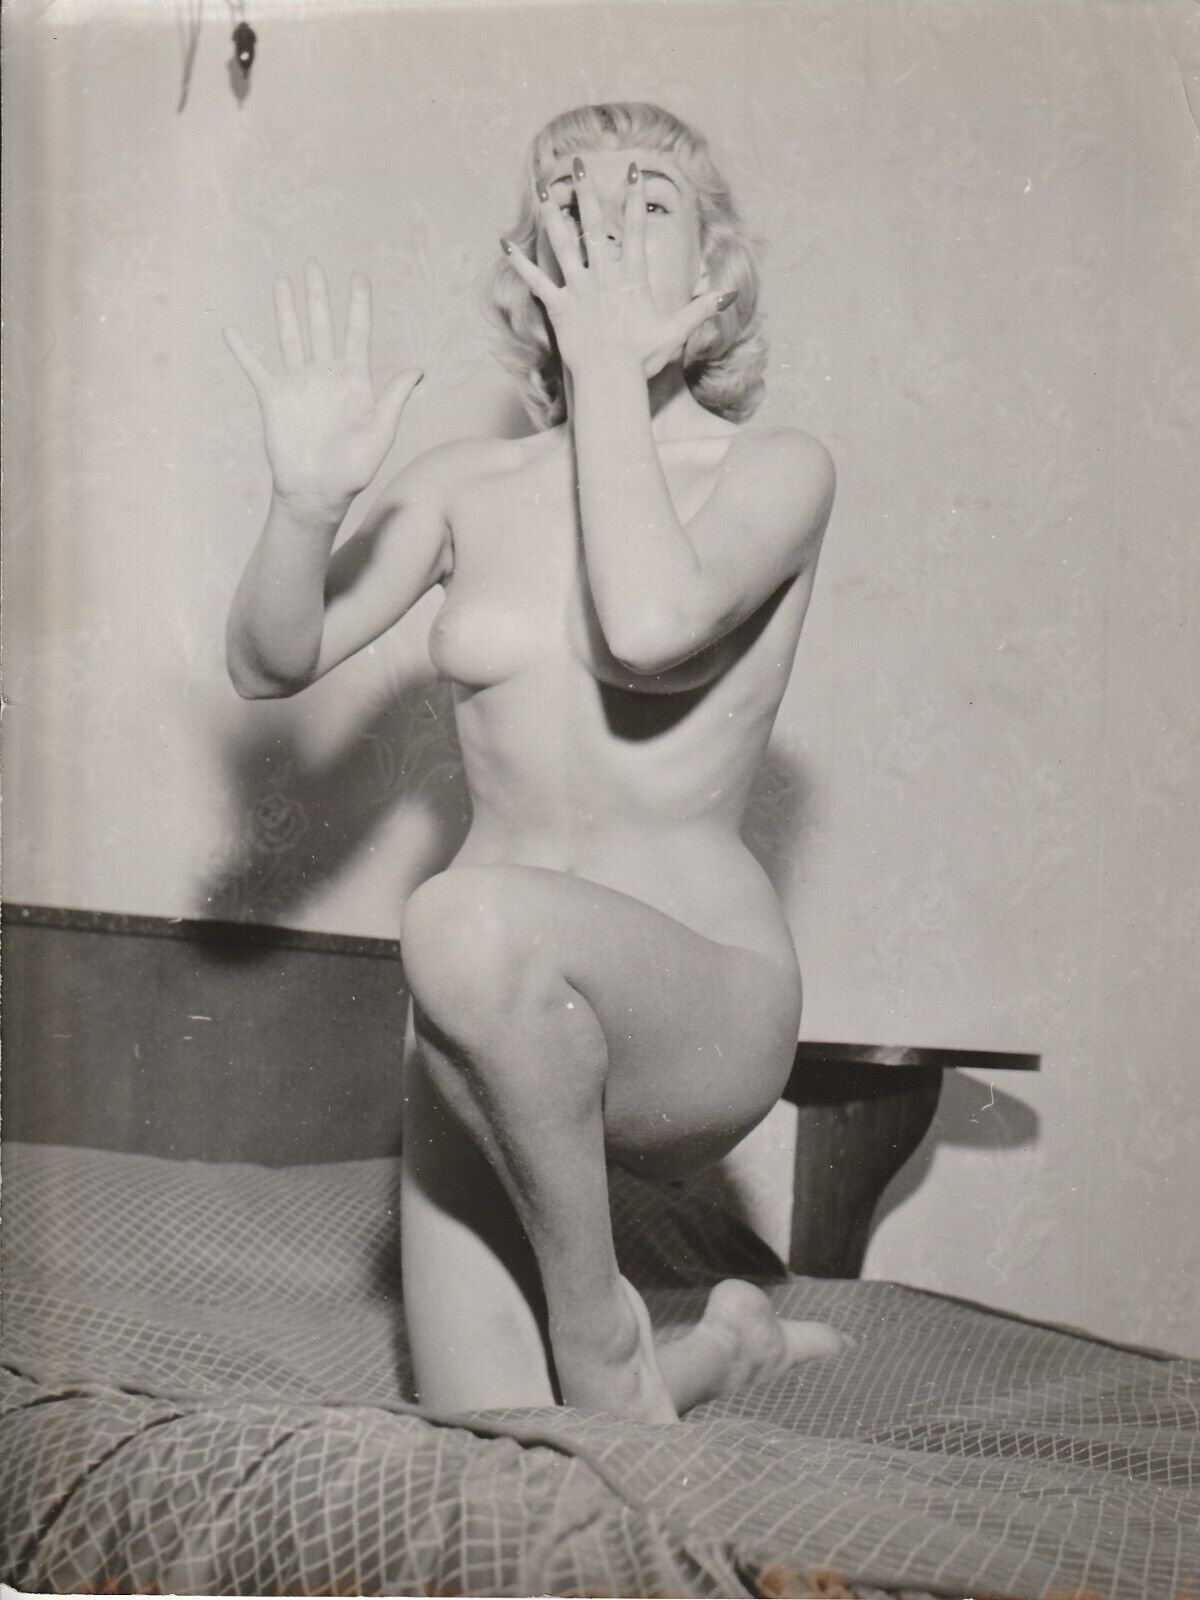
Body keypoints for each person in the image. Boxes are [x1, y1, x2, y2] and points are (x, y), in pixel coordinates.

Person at [224, 102, 844, 1424]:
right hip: (485, 1022)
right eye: (572, 199)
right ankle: (716, 1355)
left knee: (456, 917)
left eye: (652, 201)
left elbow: (650, 628)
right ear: (531, 260)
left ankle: (599, 1332)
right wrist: (304, 506)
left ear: (715, 273)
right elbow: (271, 663)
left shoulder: (775, 469)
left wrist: (610, 377)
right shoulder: (468, 482)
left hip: (698, 1008)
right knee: (489, 1434)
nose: (607, 221)